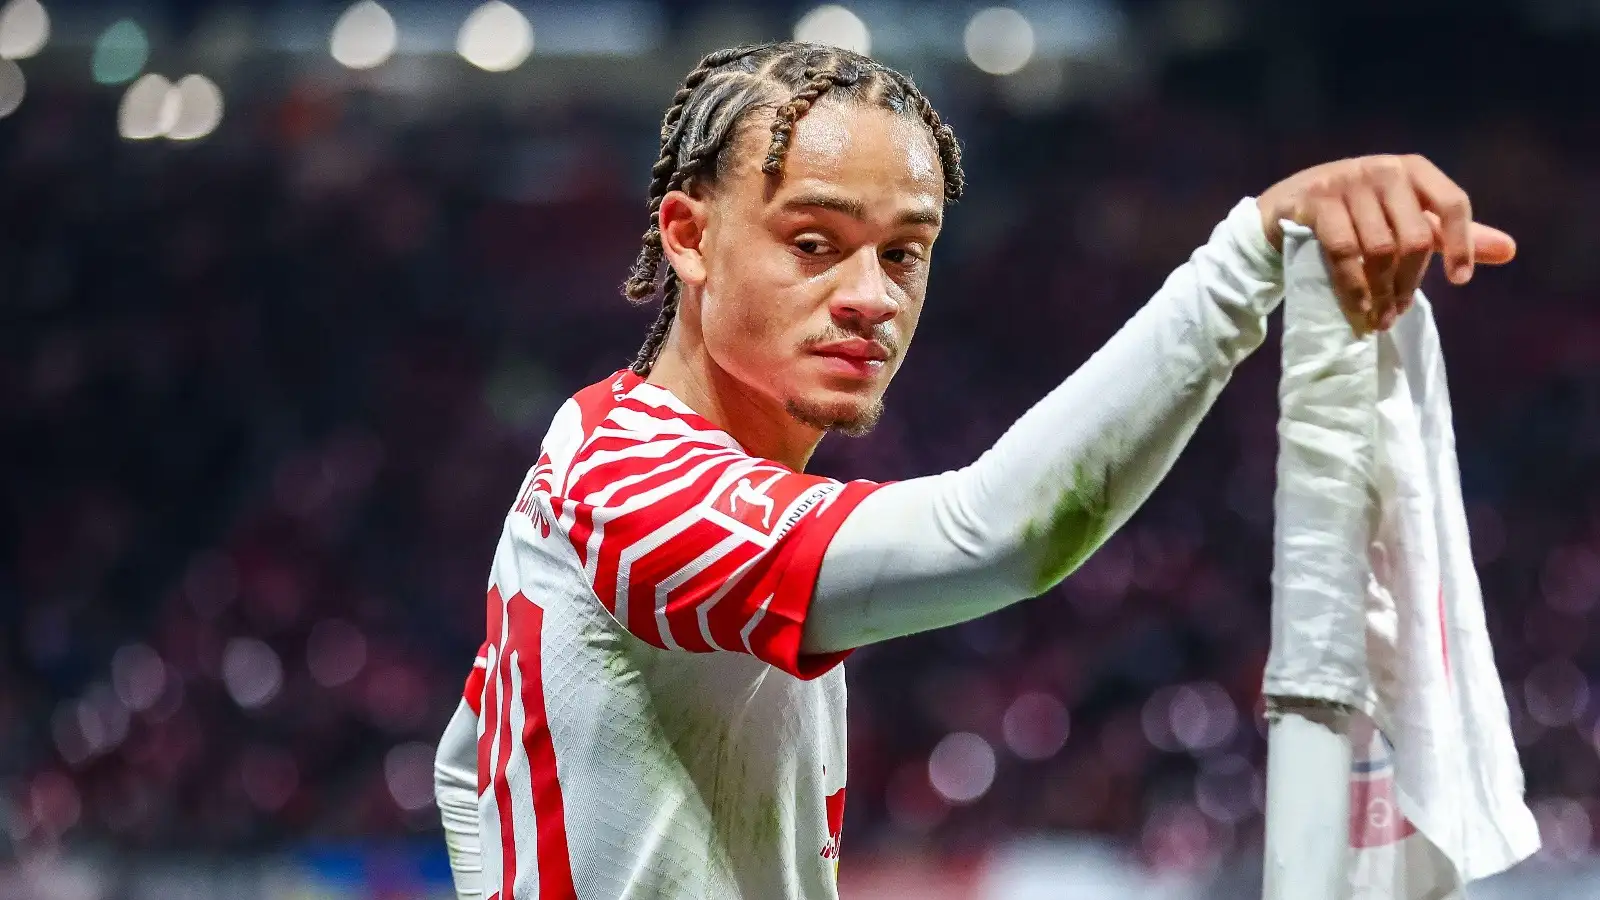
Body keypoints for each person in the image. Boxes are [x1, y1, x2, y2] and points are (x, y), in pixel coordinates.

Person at [431, 40, 1516, 900]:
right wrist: (1249, 255)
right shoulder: (638, 486)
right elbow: (997, 535)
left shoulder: (599, 471)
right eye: (813, 242)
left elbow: (465, 759)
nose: (872, 296)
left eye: (904, 252)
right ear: (687, 235)